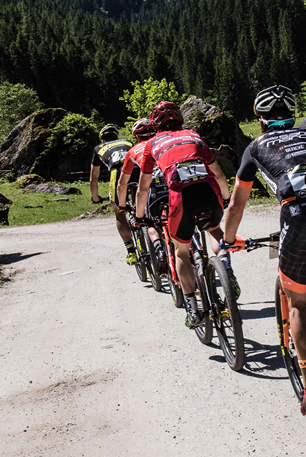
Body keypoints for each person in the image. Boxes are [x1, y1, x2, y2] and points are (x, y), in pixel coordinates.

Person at [221, 85, 306, 417]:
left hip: (296, 217)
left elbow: (237, 205)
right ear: (293, 116)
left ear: (261, 120)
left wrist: (228, 239)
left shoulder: (254, 148)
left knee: (296, 303)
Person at [135, 101, 231, 328]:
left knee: (181, 252)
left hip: (181, 198)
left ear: (156, 124)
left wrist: (140, 216)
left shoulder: (152, 144)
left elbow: (143, 188)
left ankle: (193, 309)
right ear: (180, 118)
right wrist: (225, 198)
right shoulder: (195, 136)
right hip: (209, 192)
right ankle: (226, 269)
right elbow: (219, 174)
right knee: (215, 229)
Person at [116, 118, 167, 257]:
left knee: (149, 222)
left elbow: (122, 184)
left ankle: (159, 249)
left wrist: (122, 205)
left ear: (137, 136)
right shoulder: (165, 142)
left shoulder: (133, 151)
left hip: (153, 189)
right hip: (173, 182)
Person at [90, 124, 135, 264]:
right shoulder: (127, 141)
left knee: (119, 212)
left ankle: (131, 252)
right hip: (136, 168)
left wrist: (95, 198)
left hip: (117, 173)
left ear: (102, 139)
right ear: (117, 136)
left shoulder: (98, 148)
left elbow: (93, 178)